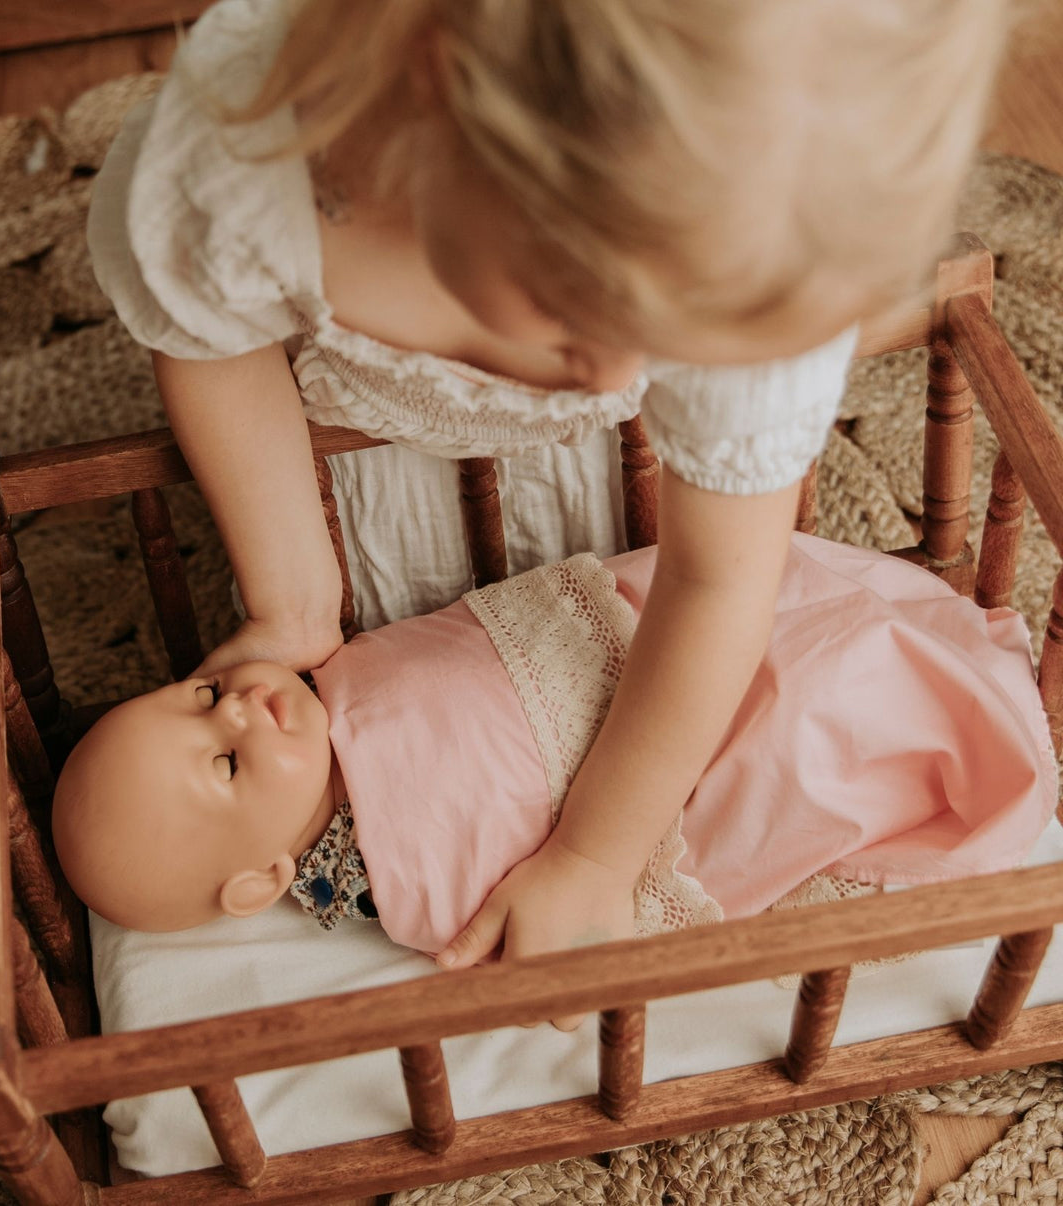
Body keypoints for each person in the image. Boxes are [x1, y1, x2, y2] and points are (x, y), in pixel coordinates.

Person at [86, 0, 1016, 1023]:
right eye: (580, 310)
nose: (622, 370)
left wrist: (594, 853)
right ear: (437, 109)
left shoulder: (743, 263)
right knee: (414, 598)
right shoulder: (233, 168)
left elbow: (716, 577)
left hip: (636, 530)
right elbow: (215, 344)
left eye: (670, 337)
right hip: (334, 446)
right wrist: (295, 594)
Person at [52, 537, 1055, 981]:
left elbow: (470, 649)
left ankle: (953, 669)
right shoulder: (411, 886)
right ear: (265, 877)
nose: (243, 707)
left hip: (647, 645)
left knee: (792, 624)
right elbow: (556, 940)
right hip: (694, 772)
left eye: (202, 695)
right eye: (227, 765)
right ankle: (992, 724)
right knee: (826, 718)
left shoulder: (332, 679)